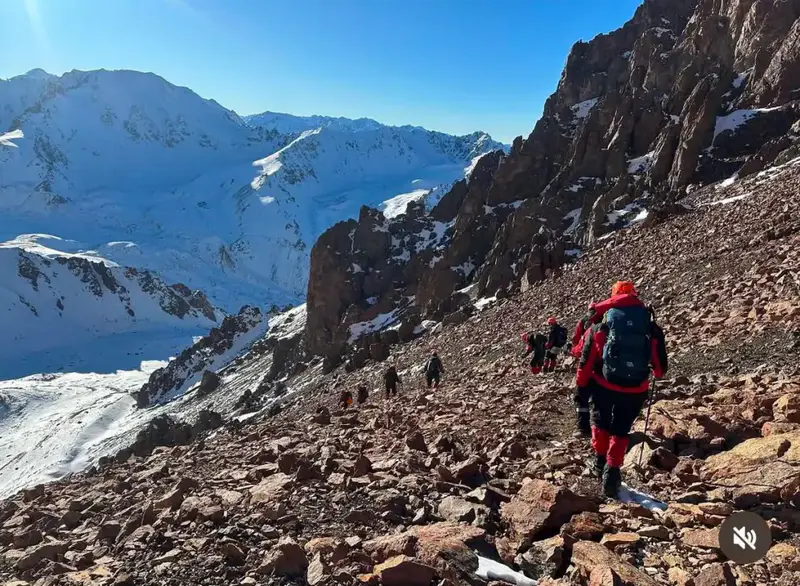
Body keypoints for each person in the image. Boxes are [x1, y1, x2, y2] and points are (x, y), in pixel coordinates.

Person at [576, 280, 668, 497]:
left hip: (605, 384)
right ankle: (613, 469)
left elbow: (586, 361)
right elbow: (660, 370)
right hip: (635, 389)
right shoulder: (648, 325)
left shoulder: (603, 323)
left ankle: (599, 460)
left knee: (600, 420)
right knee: (621, 428)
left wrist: (581, 386)